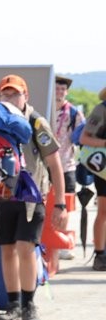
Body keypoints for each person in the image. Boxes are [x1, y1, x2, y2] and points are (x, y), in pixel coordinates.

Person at [0, 75, 66, 320]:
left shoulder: (36, 122)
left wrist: (60, 204)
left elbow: (56, 164)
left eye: (15, 94)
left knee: (26, 249)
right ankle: (12, 304)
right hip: (3, 196)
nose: (10, 99)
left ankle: (28, 304)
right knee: (7, 250)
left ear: (26, 96)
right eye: (5, 94)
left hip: (31, 198)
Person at [52, 75, 84, 261]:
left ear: (67, 92)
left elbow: (82, 136)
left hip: (67, 165)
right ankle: (48, 239)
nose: (59, 92)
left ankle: (63, 242)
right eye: (56, 88)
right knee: (47, 203)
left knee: (65, 205)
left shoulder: (73, 113)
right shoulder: (44, 109)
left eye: (63, 89)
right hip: (47, 166)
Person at [79, 86, 106, 271]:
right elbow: (84, 138)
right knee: (104, 212)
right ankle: (100, 255)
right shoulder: (101, 109)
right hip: (104, 169)